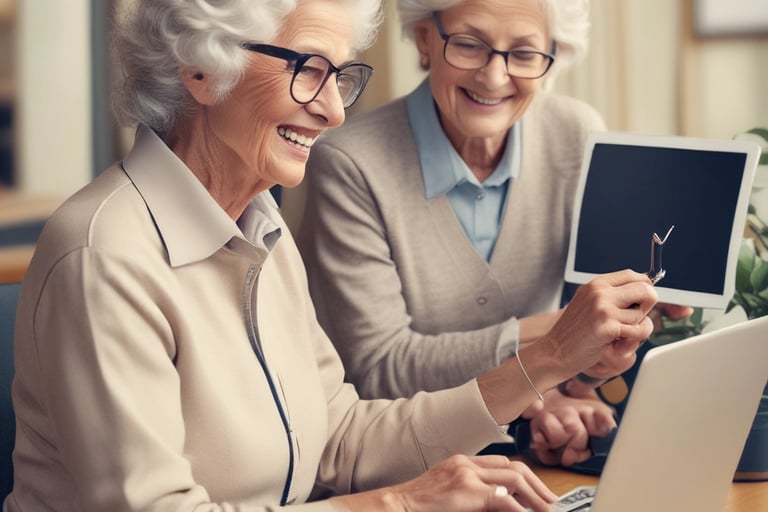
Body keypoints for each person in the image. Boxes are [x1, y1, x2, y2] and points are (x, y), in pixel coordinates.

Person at [5, 0, 658, 511]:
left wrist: (545, 360)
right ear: (202, 68)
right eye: (307, 68)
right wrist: (403, 502)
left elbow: (340, 437)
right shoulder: (104, 256)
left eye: (340, 75)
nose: (335, 109)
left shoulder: (261, 226)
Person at [294, 0, 693, 467]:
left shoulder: (576, 133)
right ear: (425, 38)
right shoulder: (349, 163)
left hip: (522, 461)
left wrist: (568, 391)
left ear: (553, 56)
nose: (494, 76)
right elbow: (380, 368)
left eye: (524, 53)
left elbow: (577, 354)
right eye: (468, 44)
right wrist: (558, 340)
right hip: (399, 467)